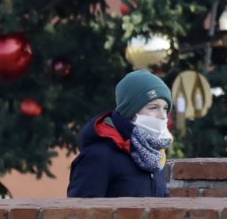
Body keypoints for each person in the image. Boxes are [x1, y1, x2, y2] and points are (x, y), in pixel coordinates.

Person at [67, 69, 174, 197]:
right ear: (130, 111)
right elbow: (79, 212)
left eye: (165, 108)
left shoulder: (156, 157)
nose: (163, 116)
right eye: (153, 107)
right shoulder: (99, 156)